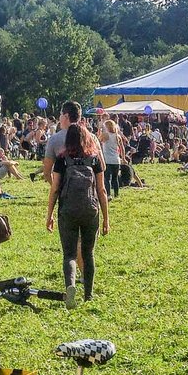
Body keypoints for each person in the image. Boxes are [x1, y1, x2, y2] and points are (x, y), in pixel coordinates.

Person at [45, 123, 110, 307]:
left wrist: (49, 214)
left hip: (67, 210)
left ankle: (70, 286)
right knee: (88, 254)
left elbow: (55, 188)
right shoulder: (94, 159)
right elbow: (102, 190)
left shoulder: (62, 159)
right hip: (90, 209)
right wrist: (106, 218)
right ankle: (88, 294)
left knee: (69, 255)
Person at [100, 119, 124, 199]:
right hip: (116, 159)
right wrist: (123, 157)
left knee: (107, 178)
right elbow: (122, 148)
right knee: (115, 178)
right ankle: (117, 194)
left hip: (107, 159)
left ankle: (108, 194)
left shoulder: (105, 135)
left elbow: (98, 140)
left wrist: (99, 130)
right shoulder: (117, 136)